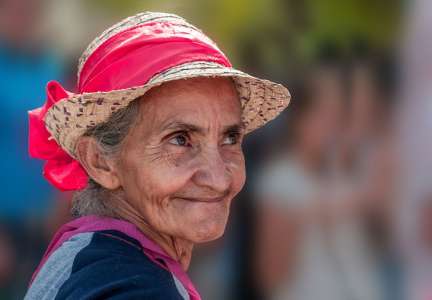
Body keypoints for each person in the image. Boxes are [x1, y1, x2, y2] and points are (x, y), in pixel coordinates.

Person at [24, 12, 290, 299]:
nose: (218, 178)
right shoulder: (137, 288)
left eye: (230, 138)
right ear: (100, 161)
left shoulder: (87, 253)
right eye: (180, 139)